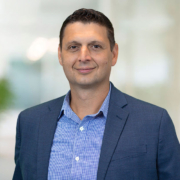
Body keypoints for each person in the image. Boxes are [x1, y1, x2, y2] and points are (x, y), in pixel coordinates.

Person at [13, 8, 180, 180]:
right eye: (73, 47)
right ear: (60, 55)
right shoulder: (30, 123)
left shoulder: (154, 123)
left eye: (95, 46)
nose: (83, 56)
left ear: (114, 54)